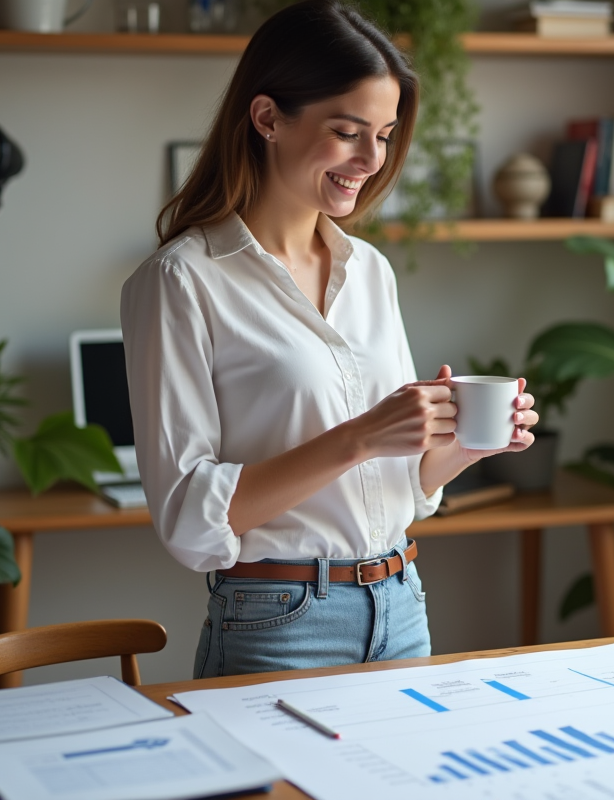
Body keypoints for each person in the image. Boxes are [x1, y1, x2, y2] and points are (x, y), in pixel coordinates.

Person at [120, 0, 537, 678]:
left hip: (401, 604)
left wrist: (462, 442)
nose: (371, 159)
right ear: (267, 119)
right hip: (278, 619)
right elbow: (190, 519)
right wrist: (362, 434)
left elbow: (402, 484)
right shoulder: (180, 281)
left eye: (385, 133)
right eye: (347, 132)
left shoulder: (367, 270)